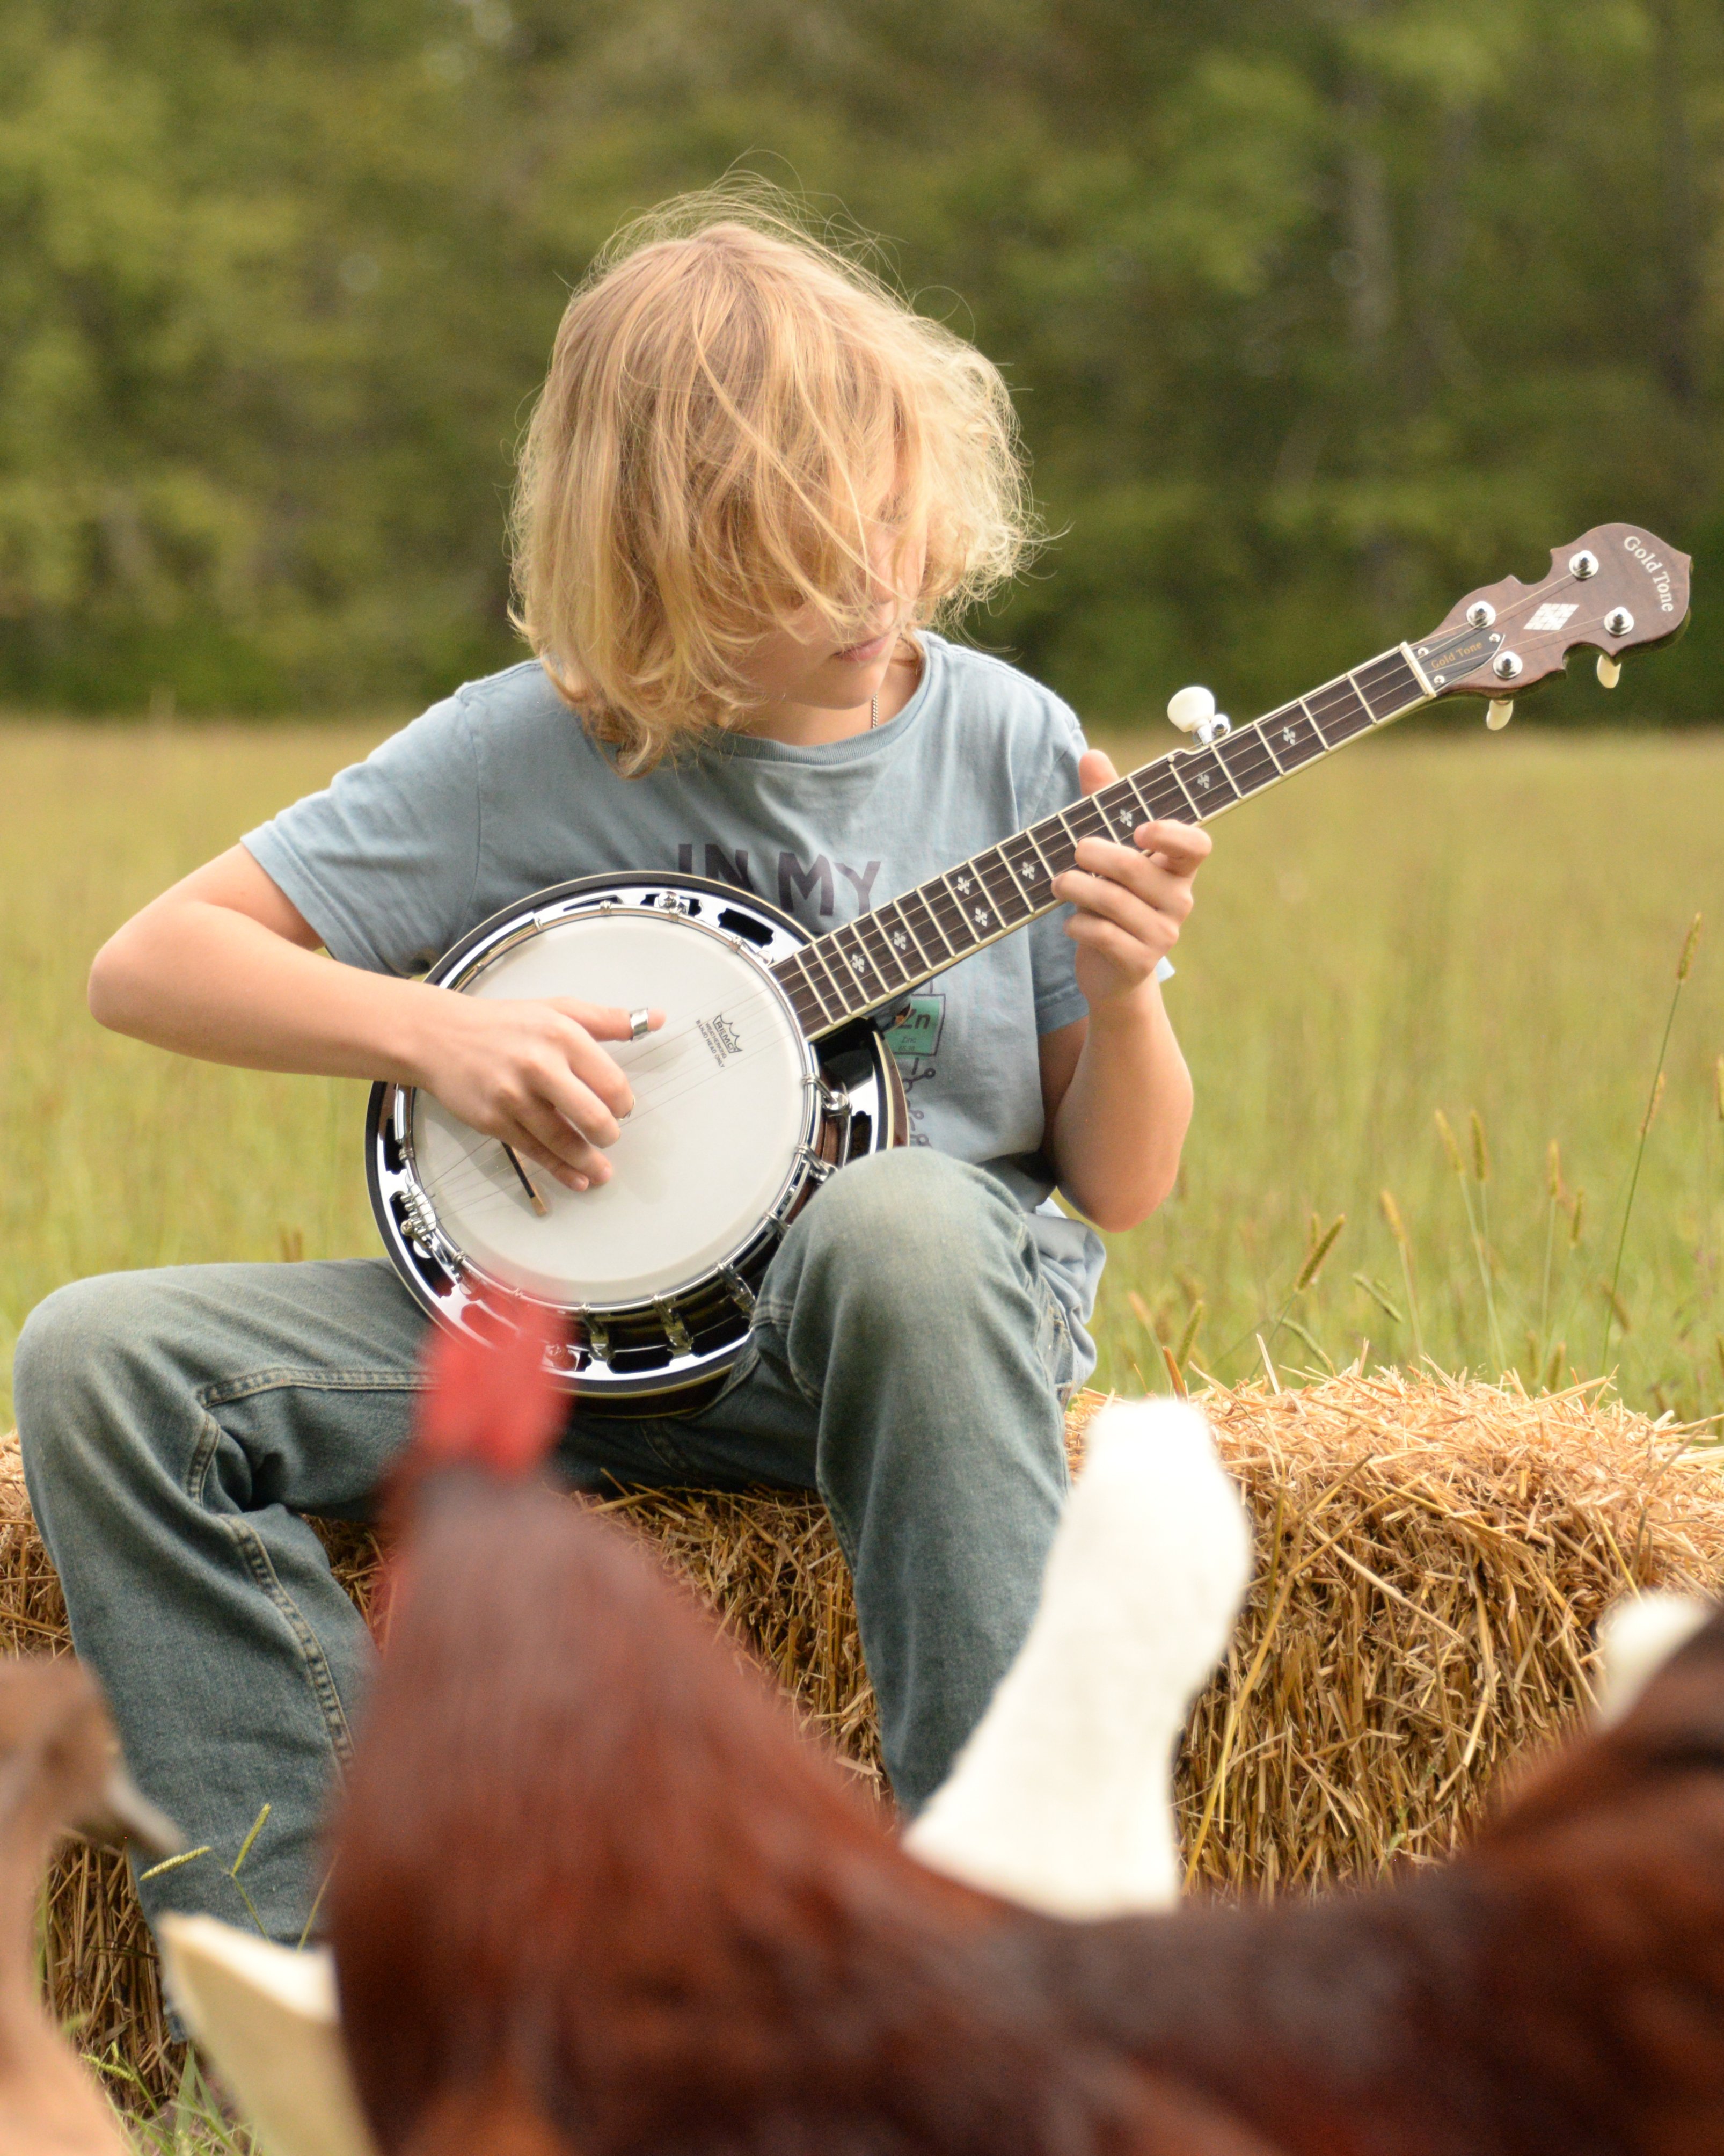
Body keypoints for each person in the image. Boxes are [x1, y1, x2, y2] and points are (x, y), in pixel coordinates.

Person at [12, 189, 1210, 1947]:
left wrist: (1124, 993)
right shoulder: (526, 750)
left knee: (900, 1226)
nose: (879, 593)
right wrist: (442, 1032)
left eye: (896, 527)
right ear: (663, 562)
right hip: (566, 1345)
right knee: (105, 1363)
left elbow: (1123, 1182)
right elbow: (151, 964)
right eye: (808, 563)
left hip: (886, 1362)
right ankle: (328, 1987)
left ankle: (1012, 1949)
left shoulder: (1006, 740)